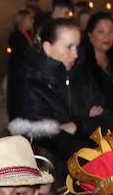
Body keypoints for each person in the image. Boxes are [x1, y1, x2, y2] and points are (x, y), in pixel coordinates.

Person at [16, 18, 86, 169]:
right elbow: (50, 140)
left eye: (77, 47)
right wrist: (85, 132)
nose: (75, 54)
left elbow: (108, 116)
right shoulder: (31, 86)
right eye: (69, 47)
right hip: (50, 171)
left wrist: (76, 126)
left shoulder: (77, 74)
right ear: (48, 47)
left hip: (79, 167)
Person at [69, 11, 113, 134]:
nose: (107, 37)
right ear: (90, 34)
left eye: (111, 32)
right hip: (98, 131)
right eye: (101, 32)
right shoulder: (81, 65)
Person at [5, 7, 37, 119]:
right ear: (22, 21)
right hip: (18, 71)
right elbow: (23, 52)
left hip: (25, 71)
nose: (32, 21)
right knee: (16, 97)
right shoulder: (16, 35)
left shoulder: (27, 34)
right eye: (30, 19)